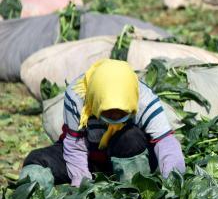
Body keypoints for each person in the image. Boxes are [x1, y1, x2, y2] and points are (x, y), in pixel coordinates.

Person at [19, 59, 185, 190]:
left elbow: (166, 144)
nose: (114, 116)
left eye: (120, 112)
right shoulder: (77, 96)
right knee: (36, 159)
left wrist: (172, 181)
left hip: (132, 156)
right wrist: (81, 184)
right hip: (88, 156)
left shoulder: (145, 100)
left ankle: (133, 190)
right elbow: (75, 146)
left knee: (130, 137)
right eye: (108, 111)